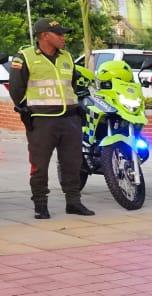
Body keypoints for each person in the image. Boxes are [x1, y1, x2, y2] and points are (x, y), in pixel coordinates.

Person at [9, 18, 95, 219]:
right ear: (44, 36)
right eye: (59, 34)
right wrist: (25, 111)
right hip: (42, 120)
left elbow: (72, 84)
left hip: (70, 119)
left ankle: (73, 202)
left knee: (72, 163)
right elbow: (16, 88)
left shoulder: (67, 57)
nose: (63, 37)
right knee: (39, 165)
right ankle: (40, 205)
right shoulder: (25, 57)